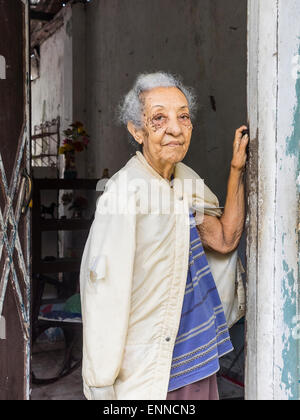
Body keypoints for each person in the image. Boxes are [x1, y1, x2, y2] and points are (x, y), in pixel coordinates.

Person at [79, 72, 248, 400]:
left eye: (183, 116)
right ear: (136, 130)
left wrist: (236, 170)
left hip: (199, 355)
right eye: (159, 118)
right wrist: (100, 381)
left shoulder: (186, 183)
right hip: (152, 369)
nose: (175, 128)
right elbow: (102, 290)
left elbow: (225, 239)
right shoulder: (124, 195)